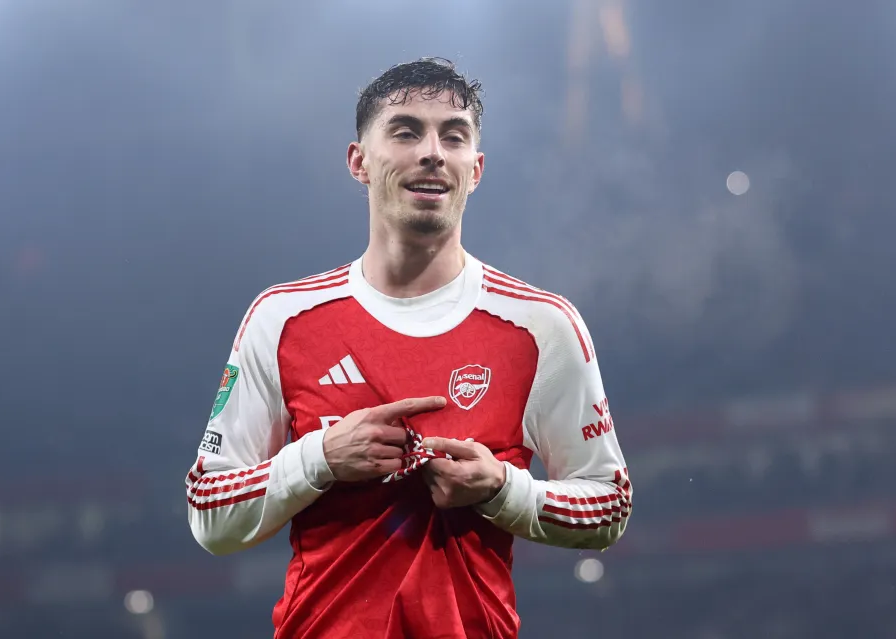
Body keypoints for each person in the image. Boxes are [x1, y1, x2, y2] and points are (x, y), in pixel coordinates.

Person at [185, 57, 632, 639]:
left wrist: (503, 490)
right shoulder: (284, 319)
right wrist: (318, 459)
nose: (432, 151)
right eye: (405, 131)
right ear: (358, 162)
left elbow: (609, 505)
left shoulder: (540, 325)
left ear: (475, 169)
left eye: (454, 135)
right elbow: (210, 514)